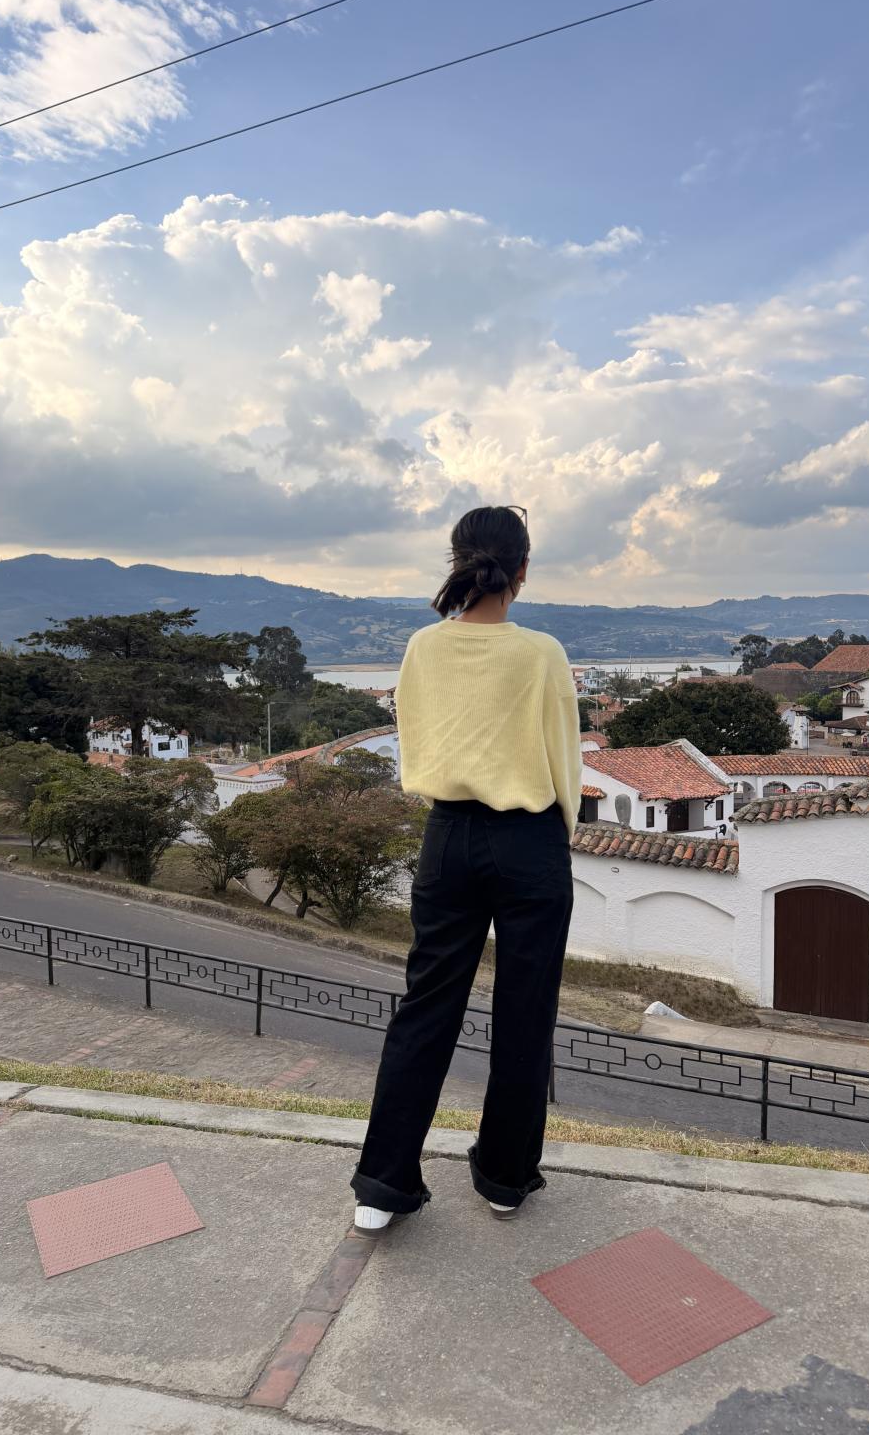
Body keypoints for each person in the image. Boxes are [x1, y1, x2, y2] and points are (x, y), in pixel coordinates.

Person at [350, 505, 582, 1235]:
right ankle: (505, 1178)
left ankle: (381, 1184)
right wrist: (554, 839)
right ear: (522, 570)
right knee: (525, 1011)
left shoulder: (423, 647)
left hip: (447, 836)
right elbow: (564, 758)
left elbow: (414, 739)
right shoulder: (541, 653)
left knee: (426, 1006)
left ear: (457, 562)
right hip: (530, 839)